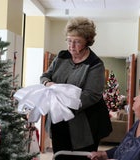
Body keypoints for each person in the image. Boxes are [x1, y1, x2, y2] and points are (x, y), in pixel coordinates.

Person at [40, 17, 112, 160]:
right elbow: (45, 76)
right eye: (69, 40)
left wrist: (62, 100)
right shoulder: (62, 56)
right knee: (60, 156)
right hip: (59, 121)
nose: (71, 45)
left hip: (85, 125)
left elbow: (91, 95)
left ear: (87, 41)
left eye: (77, 41)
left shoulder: (95, 64)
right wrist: (48, 84)